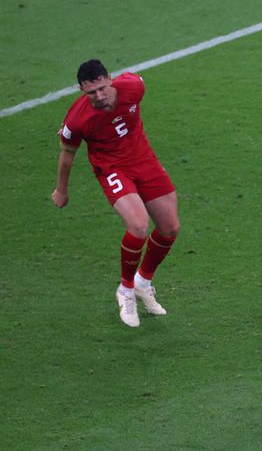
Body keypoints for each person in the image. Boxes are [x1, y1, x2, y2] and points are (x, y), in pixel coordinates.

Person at [52, 59, 180, 328]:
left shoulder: (133, 87)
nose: (98, 97)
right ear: (81, 91)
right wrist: (61, 190)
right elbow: (66, 156)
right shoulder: (77, 119)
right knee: (138, 225)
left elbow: (138, 81)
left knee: (170, 228)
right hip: (112, 168)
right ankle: (125, 289)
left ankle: (143, 282)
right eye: (91, 93)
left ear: (110, 79)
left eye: (101, 88)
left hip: (144, 160)